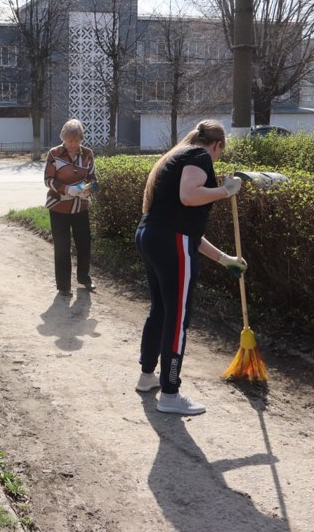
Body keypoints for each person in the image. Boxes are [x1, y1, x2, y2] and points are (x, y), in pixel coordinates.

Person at [134, 119, 247, 415]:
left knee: (160, 309)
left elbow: (189, 234)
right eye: (220, 152)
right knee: (178, 316)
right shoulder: (199, 156)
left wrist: (227, 261)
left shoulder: (177, 155)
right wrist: (224, 191)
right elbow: (189, 196)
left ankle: (148, 377)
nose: (218, 158)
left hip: (152, 236)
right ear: (217, 145)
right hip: (170, 242)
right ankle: (170, 393)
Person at [44, 118, 98, 296]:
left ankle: (84, 278)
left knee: (84, 244)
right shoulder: (54, 154)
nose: (73, 145)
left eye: (76, 141)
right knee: (62, 246)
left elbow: (93, 181)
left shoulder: (88, 154)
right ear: (63, 139)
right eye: (69, 141)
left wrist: (84, 190)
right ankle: (64, 286)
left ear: (81, 139)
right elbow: (48, 180)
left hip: (80, 206)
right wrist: (68, 189)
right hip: (58, 207)